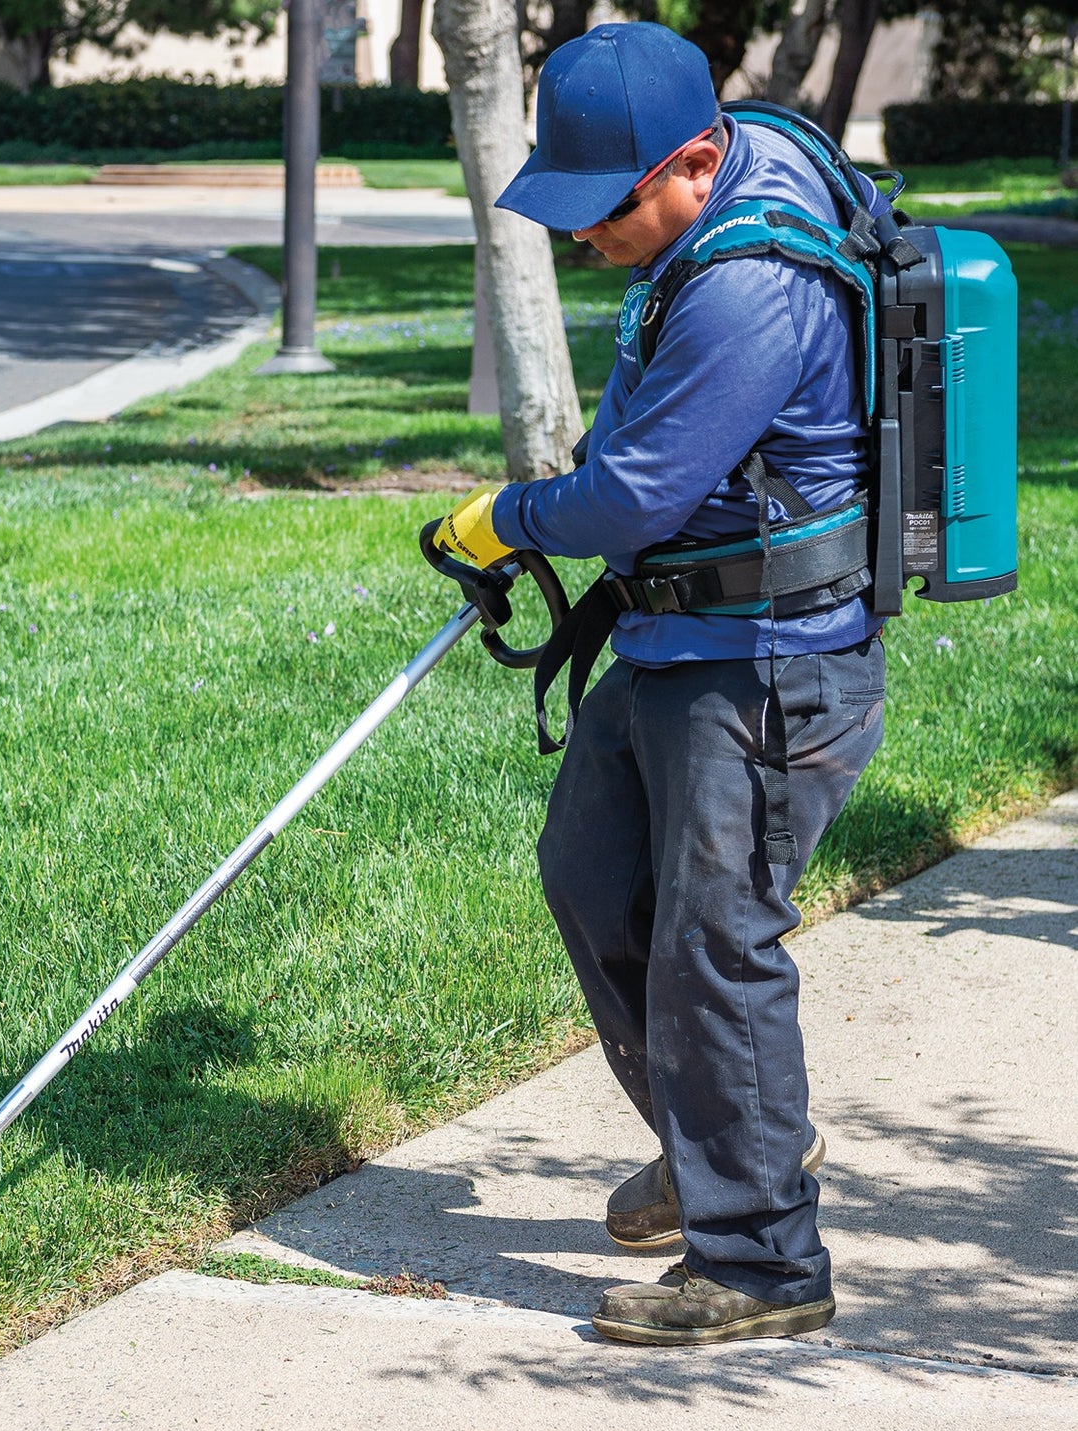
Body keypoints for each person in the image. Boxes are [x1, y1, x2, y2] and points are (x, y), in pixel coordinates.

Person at [432, 21, 887, 1346]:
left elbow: (635, 490)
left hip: (762, 672)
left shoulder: (749, 281)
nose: (582, 237)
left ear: (695, 162)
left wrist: (509, 515)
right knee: (588, 873)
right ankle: (718, 1149)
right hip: (676, 644)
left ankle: (757, 1261)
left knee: (710, 950)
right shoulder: (712, 208)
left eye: (605, 207)